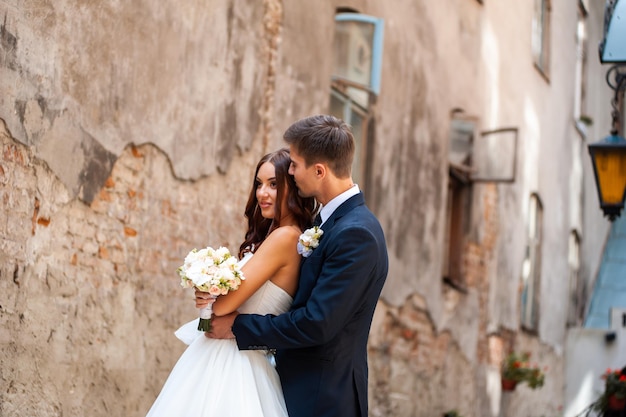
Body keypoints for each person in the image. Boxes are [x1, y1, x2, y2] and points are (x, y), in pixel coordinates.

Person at [204, 114, 389, 417]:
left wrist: (238, 326)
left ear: (319, 171)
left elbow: (317, 322)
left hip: (323, 397)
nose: (290, 171)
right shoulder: (324, 224)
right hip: (294, 387)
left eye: (295, 164)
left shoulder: (357, 234)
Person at [145, 148, 317, 417]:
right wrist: (209, 293)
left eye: (273, 184)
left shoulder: (284, 237)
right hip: (235, 353)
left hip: (234, 363)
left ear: (292, 187)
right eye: (259, 184)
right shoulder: (283, 236)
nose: (262, 193)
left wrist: (210, 294)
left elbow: (222, 308)